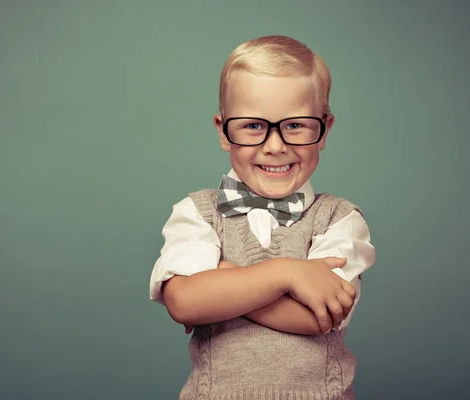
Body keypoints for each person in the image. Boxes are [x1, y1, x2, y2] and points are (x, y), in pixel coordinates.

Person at [149, 34, 376, 399]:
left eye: (296, 125)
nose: (275, 145)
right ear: (223, 131)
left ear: (325, 129)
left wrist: (221, 279)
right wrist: (287, 272)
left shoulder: (340, 219)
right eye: (253, 126)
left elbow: (316, 317)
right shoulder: (196, 213)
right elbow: (185, 302)